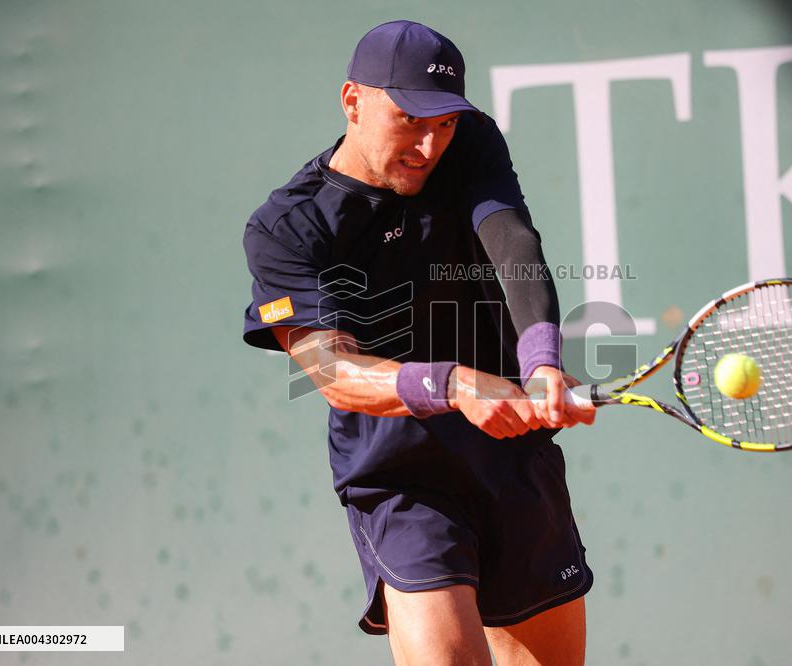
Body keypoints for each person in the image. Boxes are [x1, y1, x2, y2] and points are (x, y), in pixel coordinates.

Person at [242, 20, 596, 665]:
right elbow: (331, 371)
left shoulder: (469, 144)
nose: (429, 144)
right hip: (402, 480)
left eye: (444, 123)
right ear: (353, 100)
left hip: (513, 459)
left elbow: (513, 242)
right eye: (410, 120)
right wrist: (455, 384)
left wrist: (542, 361)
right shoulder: (288, 228)